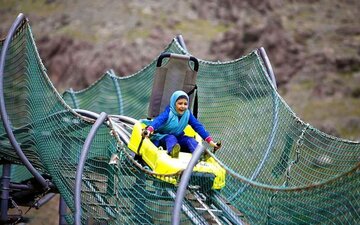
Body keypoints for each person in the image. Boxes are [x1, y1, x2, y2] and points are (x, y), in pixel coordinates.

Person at [143, 90, 221, 158]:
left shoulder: (187, 114)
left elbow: (198, 126)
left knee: (190, 140)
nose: (183, 106)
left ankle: (199, 154)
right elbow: (158, 121)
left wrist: (210, 142)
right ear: (174, 104)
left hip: (179, 138)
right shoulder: (169, 112)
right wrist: (149, 130)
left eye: (185, 104)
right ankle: (172, 152)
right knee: (171, 138)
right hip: (163, 137)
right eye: (180, 103)